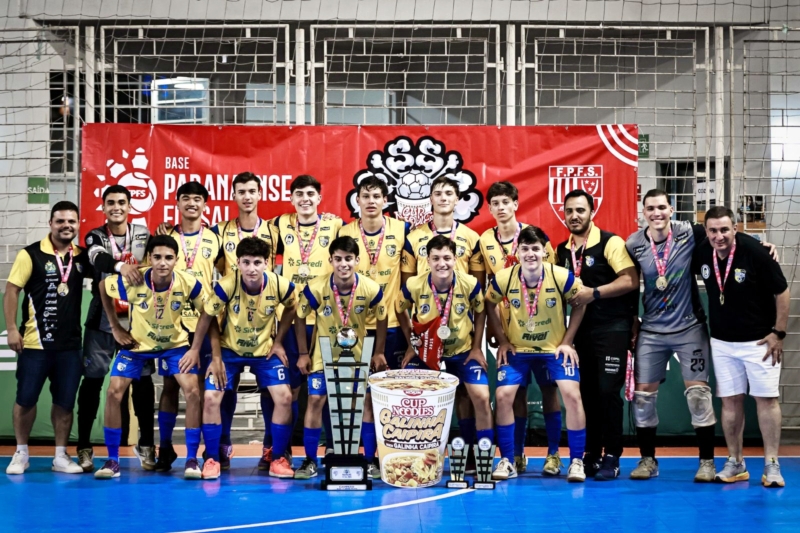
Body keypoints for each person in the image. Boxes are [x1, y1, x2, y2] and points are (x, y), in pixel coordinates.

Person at [94, 235, 205, 479]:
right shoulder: (133, 279)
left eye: (168, 258)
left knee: (193, 391)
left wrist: (195, 348)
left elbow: (207, 311)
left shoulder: (187, 281)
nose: (163, 263)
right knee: (113, 392)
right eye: (157, 257)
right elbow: (103, 287)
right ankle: (112, 460)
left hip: (174, 345)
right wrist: (115, 327)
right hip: (137, 345)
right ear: (149, 258)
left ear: (176, 259)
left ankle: (191, 459)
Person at [187, 237, 298, 480]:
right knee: (210, 397)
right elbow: (207, 316)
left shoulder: (281, 285)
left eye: (257, 262)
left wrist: (279, 341)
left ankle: (277, 457)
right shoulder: (226, 285)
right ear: (237, 263)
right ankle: (212, 458)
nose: (251, 269)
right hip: (230, 351)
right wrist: (205, 352)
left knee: (285, 397)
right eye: (246, 262)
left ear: (267, 263)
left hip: (264, 352)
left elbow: (292, 307)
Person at [694, 206, 789, 487]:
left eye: (725, 229)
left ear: (735, 228)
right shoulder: (702, 249)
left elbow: (782, 292)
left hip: (759, 341)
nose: (719, 236)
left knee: (766, 400)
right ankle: (736, 462)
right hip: (722, 342)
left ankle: (772, 464)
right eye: (713, 230)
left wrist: (778, 333)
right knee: (730, 401)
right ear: (706, 231)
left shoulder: (756, 251)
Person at [486, 226, 588, 482]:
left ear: (544, 251)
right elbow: (489, 302)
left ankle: (573, 459)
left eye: (535, 248)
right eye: (525, 249)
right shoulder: (504, 277)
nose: (530, 254)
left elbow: (581, 302)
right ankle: (508, 459)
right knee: (503, 395)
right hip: (518, 350)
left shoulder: (560, 275)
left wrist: (567, 341)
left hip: (552, 350)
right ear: (517, 251)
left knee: (571, 394)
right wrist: (502, 340)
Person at [478, 181, 563, 476]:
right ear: (489, 208)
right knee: (515, 394)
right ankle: (516, 455)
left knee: (550, 391)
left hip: (543, 329)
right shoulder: (484, 240)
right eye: (495, 203)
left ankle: (554, 454)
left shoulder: (534, 237)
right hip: (509, 330)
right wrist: (496, 331)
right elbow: (486, 292)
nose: (501, 208)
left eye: (506, 202)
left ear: (516, 203)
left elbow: (553, 279)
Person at [401, 177, 486, 469]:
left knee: (465, 393)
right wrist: (413, 341)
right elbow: (406, 292)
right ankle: (426, 454)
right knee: (426, 397)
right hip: (427, 337)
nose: (443, 197)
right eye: (437, 193)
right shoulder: (413, 238)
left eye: (449, 192)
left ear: (457, 198)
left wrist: (477, 345)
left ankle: (474, 455)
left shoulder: (472, 237)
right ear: (430, 199)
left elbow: (478, 292)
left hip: (460, 331)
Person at [4, 201, 93, 475]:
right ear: (51, 223)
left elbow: (109, 274)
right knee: (25, 399)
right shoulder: (30, 254)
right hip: (35, 343)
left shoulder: (82, 256)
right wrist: (12, 328)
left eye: (71, 221)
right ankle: (21, 453)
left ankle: (60, 456)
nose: (66, 225)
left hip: (70, 346)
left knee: (65, 403)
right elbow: (11, 290)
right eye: (60, 221)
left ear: (78, 224)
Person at [556, 189, 639, 480]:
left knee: (607, 392)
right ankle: (591, 453)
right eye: (569, 211)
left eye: (580, 210)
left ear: (592, 212)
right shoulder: (562, 250)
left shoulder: (610, 242)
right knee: (587, 394)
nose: (574, 216)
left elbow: (630, 280)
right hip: (581, 332)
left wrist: (595, 293)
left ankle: (612, 456)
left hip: (612, 328)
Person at [76, 185, 155, 473]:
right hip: (102, 323)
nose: (117, 207)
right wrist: (121, 266)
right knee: (93, 382)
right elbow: (97, 258)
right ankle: (84, 447)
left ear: (130, 206)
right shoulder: (95, 236)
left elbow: (161, 256)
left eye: (122, 202)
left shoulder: (143, 234)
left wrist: (167, 233)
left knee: (142, 383)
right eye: (111, 203)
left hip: (138, 323)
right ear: (104, 207)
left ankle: (146, 444)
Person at [294, 236, 387, 479]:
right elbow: (299, 317)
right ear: (330, 261)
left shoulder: (371, 288)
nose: (343, 264)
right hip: (323, 356)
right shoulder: (316, 288)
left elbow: (382, 317)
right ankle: (310, 461)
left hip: (358, 357)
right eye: (338, 259)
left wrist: (378, 351)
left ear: (357, 260)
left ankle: (369, 460)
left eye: (348, 259)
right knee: (315, 400)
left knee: (364, 403)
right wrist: (303, 353)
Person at [268, 174, 342, 470]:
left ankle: (333, 448)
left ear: (319, 198)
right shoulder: (279, 224)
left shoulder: (335, 225)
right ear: (291, 198)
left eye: (310, 194)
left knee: (329, 387)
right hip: (290, 316)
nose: (305, 199)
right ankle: (281, 450)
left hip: (326, 318)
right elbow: (248, 232)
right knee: (291, 389)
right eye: (299, 194)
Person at [339, 176, 410, 478]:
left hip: (390, 326)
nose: (370, 201)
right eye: (365, 196)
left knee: (388, 395)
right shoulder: (344, 232)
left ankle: (393, 454)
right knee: (357, 396)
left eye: (376, 196)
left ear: (385, 200)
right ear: (357, 200)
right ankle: (365, 456)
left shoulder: (402, 230)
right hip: (352, 328)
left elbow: (409, 282)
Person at [210, 172, 280, 468]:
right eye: (242, 191)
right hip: (231, 322)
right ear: (234, 195)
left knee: (270, 388)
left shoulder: (275, 231)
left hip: (265, 320)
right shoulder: (219, 231)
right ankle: (223, 444)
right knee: (225, 386)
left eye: (252, 191)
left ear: (260, 194)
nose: (247, 196)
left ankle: (270, 448)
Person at [157, 182, 222, 471]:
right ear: (177, 202)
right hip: (173, 324)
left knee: (205, 388)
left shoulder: (215, 238)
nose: (192, 203)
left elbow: (226, 275)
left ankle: (205, 451)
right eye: (186, 198)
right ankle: (165, 447)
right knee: (170, 385)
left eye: (197, 199)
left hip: (205, 323)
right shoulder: (166, 236)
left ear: (205, 204)